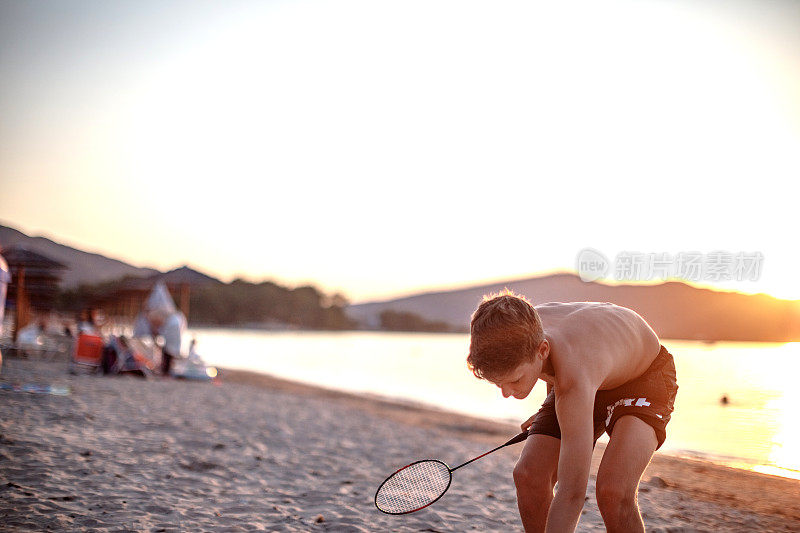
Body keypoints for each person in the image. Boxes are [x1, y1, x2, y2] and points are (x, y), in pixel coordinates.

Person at [467, 291, 678, 533]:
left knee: (614, 491)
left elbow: (572, 493)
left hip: (644, 376)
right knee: (529, 475)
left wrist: (568, 406)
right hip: (587, 374)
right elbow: (555, 371)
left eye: (515, 380)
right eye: (498, 382)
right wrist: (555, 406)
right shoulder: (519, 330)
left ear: (542, 350)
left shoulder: (572, 379)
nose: (506, 392)